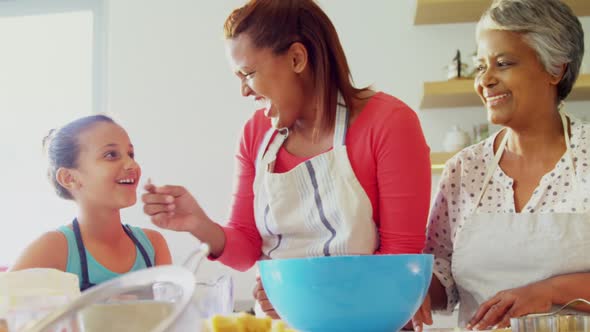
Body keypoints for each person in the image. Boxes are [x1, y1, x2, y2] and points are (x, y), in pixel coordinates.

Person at [142, 0, 431, 318]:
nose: (243, 91)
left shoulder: (389, 123)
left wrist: (301, 299)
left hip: (367, 321)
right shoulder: (256, 133)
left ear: (296, 58)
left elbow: (400, 262)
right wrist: (198, 224)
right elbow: (247, 247)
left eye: (249, 73)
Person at [412, 0, 590, 330]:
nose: (485, 80)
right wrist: (414, 291)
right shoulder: (463, 170)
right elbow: (443, 272)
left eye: (504, 63)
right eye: (481, 67)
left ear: (556, 69)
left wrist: (549, 291)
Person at [11, 115, 172, 291]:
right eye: (111, 155)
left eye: (130, 154)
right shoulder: (52, 248)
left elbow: (174, 314)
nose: (132, 164)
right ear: (69, 178)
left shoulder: (153, 245)